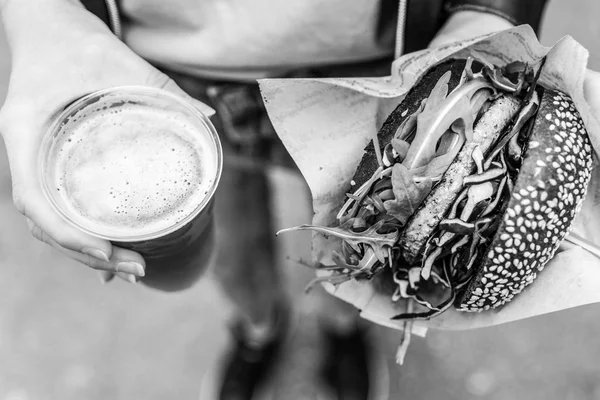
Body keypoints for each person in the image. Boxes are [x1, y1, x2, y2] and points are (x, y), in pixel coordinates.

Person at [4, 0, 597, 399]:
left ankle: (343, 331)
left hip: (393, 72)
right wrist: (39, 15)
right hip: (160, 75)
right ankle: (259, 328)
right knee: (228, 252)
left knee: (352, 254)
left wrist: (489, 10)